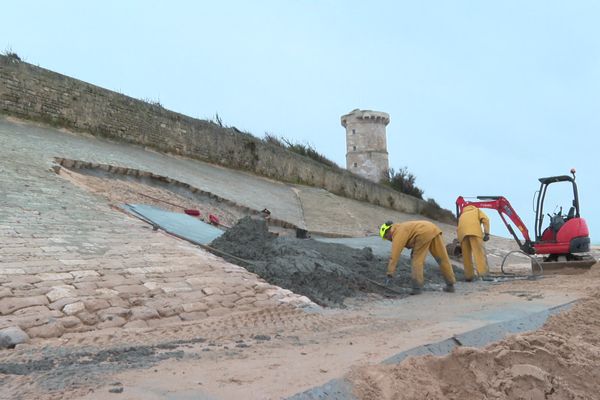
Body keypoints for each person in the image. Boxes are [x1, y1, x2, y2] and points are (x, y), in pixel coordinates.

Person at [380, 220, 456, 295]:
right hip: (432, 228)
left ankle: (417, 287)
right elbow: (413, 235)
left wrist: (390, 273)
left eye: (386, 237)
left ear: (388, 231)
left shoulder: (398, 233)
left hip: (423, 233)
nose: (388, 239)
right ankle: (450, 284)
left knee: (416, 260)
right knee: (441, 258)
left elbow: (394, 255)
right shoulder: (402, 227)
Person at [457, 205, 490, 281]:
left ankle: (469, 276)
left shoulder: (462, 214)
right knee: (478, 254)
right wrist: (487, 233)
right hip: (474, 232)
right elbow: (486, 219)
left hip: (462, 234)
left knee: (466, 256)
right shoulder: (476, 210)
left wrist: (459, 239)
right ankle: (482, 275)